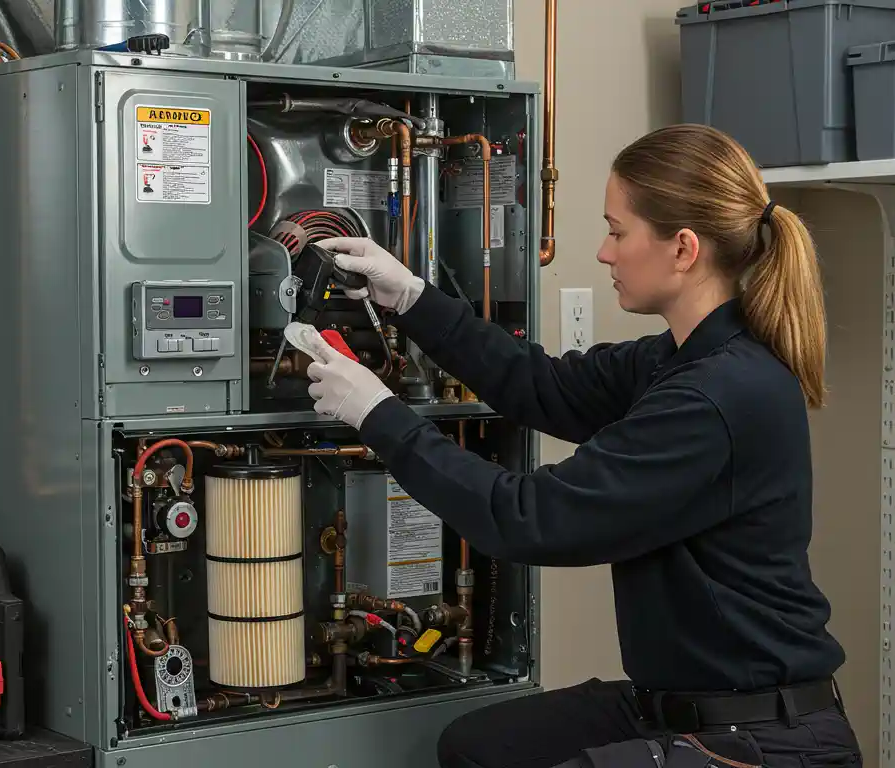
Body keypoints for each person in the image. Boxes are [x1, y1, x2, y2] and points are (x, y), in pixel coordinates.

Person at [302, 124, 862, 768]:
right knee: (477, 749)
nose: (604, 252)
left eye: (617, 232)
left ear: (683, 248)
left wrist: (377, 414)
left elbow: (529, 518)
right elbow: (542, 385)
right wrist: (411, 297)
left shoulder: (717, 396)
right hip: (680, 702)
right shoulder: (677, 361)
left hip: (761, 737)